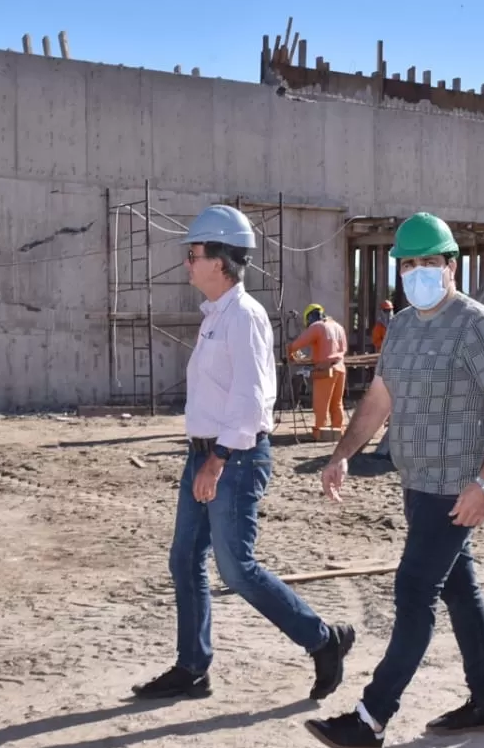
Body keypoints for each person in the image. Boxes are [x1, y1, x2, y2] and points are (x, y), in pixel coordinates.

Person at [303, 212, 484, 748]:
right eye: (410, 264)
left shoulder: (476, 325)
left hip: (456, 488)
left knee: (413, 592)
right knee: (460, 589)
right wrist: (340, 455)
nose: (420, 272)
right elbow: (380, 399)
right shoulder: (403, 326)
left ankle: (370, 718)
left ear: (451, 266)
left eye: (431, 262)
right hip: (417, 483)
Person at [132, 204, 355, 703]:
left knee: (237, 570)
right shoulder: (215, 317)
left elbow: (252, 400)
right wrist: (204, 456)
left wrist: (218, 460)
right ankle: (192, 667)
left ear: (220, 260)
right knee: (185, 560)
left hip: (233, 458)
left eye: (193, 254)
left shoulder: (245, 318)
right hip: (206, 455)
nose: (186, 263)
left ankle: (323, 640)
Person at [287, 303, 349, 440]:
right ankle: (338, 431)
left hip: (325, 369)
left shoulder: (317, 327)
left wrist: (289, 351)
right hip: (340, 368)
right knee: (337, 403)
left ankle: (320, 433)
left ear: (309, 317)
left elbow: (298, 344)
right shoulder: (338, 327)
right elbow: (343, 349)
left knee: (321, 404)